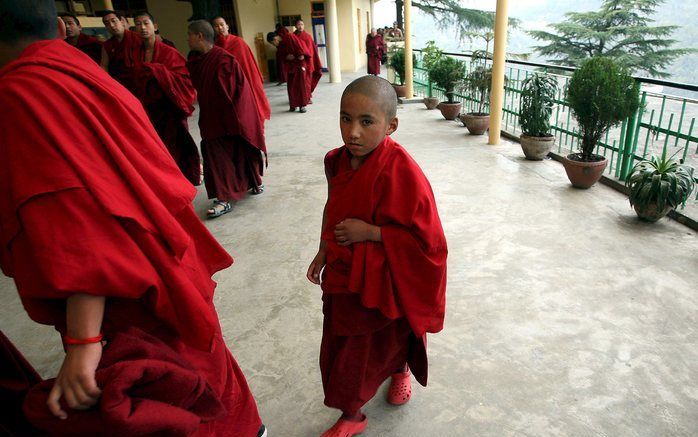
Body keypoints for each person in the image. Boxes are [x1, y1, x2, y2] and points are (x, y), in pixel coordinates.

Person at [0, 1, 265, 436]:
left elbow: (73, 220)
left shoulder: (23, 92)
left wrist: (84, 342)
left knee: (164, 388)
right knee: (199, 364)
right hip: (159, 251)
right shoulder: (82, 68)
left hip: (124, 278)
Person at [306, 75, 448, 437]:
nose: (352, 132)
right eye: (345, 118)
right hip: (345, 271)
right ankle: (353, 411)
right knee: (344, 345)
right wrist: (323, 248)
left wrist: (371, 233)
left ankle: (398, 371)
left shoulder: (403, 170)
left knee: (388, 335)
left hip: (386, 276)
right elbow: (332, 206)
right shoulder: (336, 162)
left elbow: (428, 241)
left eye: (367, 122)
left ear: (391, 126)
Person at [186, 20, 266, 219]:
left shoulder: (223, 59)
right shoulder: (197, 60)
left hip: (228, 116)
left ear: (199, 36)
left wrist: (238, 119)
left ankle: (224, 199)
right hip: (211, 117)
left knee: (234, 152)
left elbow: (235, 91)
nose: (187, 39)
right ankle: (248, 184)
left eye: (189, 35)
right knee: (219, 157)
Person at [129, 11, 201, 186]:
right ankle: (171, 180)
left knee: (179, 144)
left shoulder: (168, 52)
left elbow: (185, 79)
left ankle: (191, 175)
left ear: (155, 26)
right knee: (158, 147)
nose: (143, 27)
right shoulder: (134, 54)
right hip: (148, 109)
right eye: (138, 24)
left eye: (146, 23)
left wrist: (158, 71)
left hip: (170, 107)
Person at [212, 16, 271, 124]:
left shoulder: (238, 42)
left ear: (227, 26)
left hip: (245, 80)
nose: (220, 28)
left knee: (252, 112)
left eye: (222, 24)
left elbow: (248, 65)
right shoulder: (215, 48)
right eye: (216, 26)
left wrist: (253, 82)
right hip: (229, 85)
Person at [100, 10, 141, 90]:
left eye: (113, 21)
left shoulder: (138, 38)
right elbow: (104, 66)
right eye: (107, 23)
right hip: (120, 83)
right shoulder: (107, 45)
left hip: (139, 80)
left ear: (122, 21)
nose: (111, 25)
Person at [293, 19, 322, 98]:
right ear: (295, 26)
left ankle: (308, 97)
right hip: (296, 62)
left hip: (307, 62)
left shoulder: (307, 37)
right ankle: (300, 97)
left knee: (307, 81)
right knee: (298, 82)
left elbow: (311, 51)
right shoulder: (293, 37)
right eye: (298, 24)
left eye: (302, 24)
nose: (300, 26)